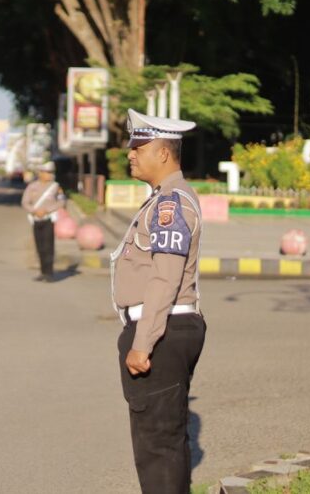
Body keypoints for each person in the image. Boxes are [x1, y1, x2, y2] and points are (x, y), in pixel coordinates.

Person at [111, 109, 206, 493]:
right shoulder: (164, 199)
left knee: (158, 446)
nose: (131, 153)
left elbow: (165, 278)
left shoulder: (170, 204)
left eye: (140, 146)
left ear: (164, 154)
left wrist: (142, 342)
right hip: (166, 328)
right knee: (163, 442)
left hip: (161, 332)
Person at [21, 162, 64, 282]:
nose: (50, 175)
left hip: (49, 219)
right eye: (47, 172)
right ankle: (42, 272)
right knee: (39, 246)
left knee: (48, 246)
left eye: (51, 172)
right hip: (36, 219)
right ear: (40, 173)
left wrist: (47, 210)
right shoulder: (32, 187)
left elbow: (61, 201)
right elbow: (25, 202)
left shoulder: (56, 187)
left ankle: (49, 273)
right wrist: (34, 211)